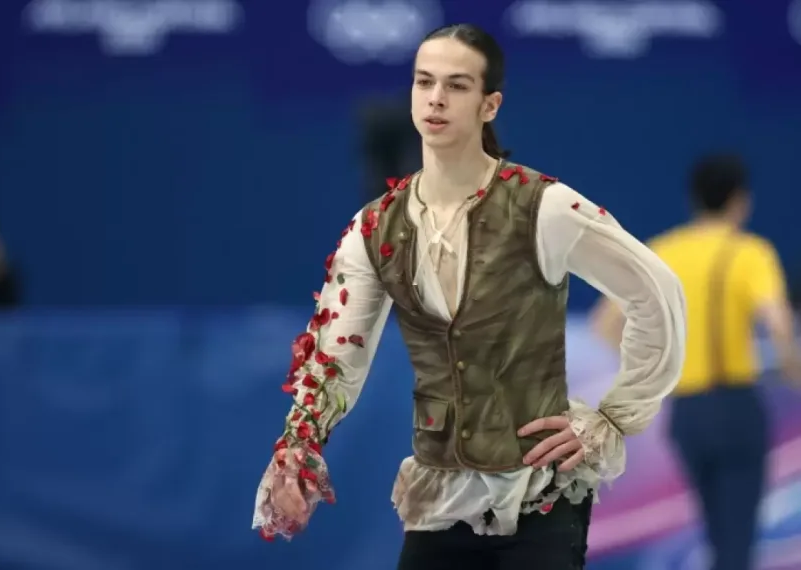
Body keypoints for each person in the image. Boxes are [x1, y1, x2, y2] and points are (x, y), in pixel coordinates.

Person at [253, 24, 686, 569]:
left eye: (456, 85)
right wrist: (299, 443)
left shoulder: (544, 208)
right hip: (439, 501)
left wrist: (614, 417)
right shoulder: (375, 228)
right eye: (424, 82)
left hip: (541, 497)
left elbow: (658, 293)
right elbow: (336, 354)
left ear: (489, 105)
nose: (436, 98)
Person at [591, 154, 801, 570]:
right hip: (736, 406)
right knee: (736, 538)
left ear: (694, 199)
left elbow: (605, 324)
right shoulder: (749, 252)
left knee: (716, 530)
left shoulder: (664, 251)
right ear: (740, 200)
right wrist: (793, 372)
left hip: (687, 414)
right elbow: (777, 322)